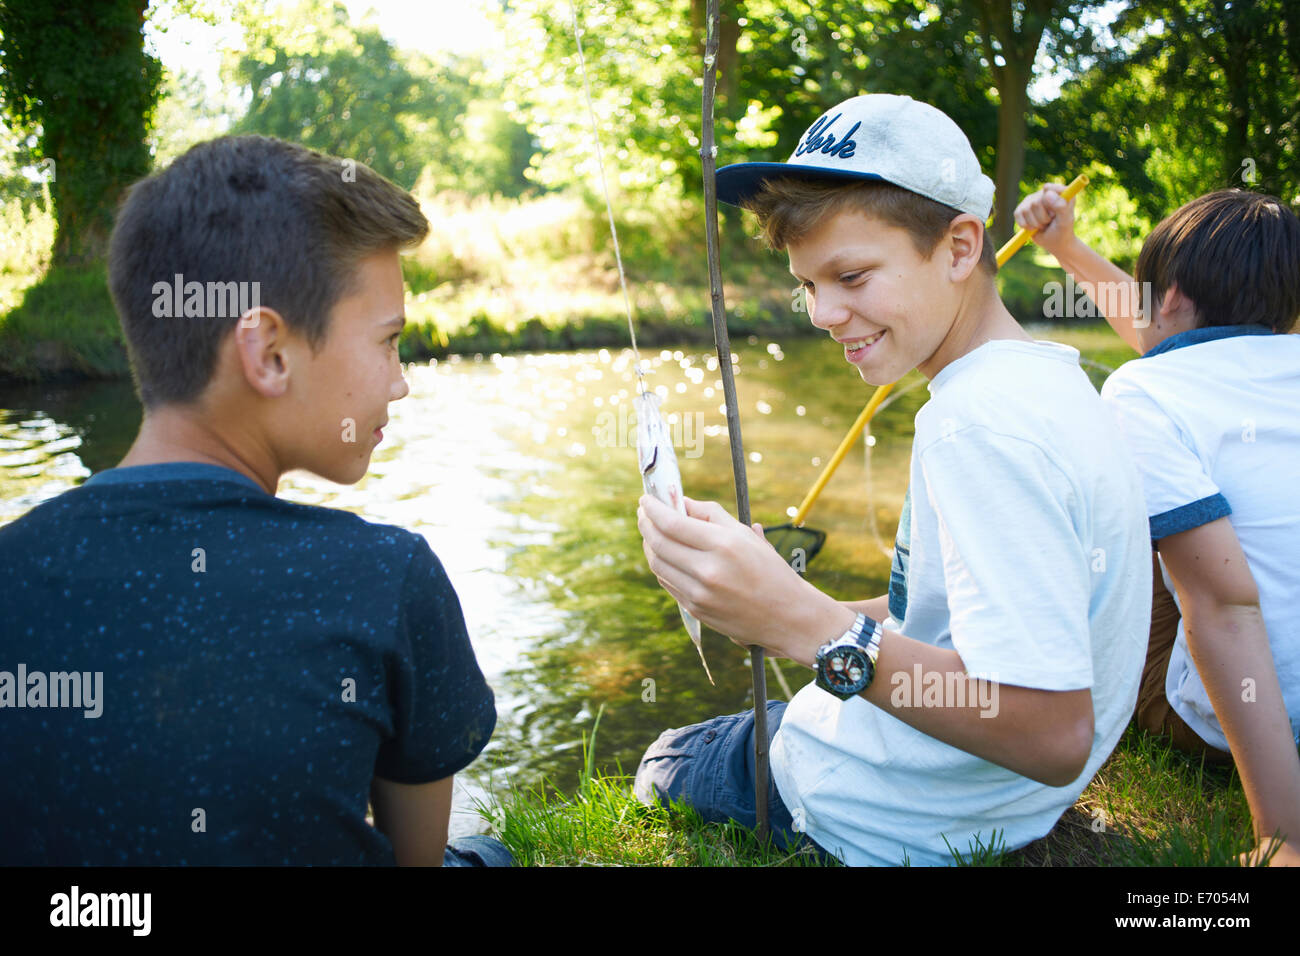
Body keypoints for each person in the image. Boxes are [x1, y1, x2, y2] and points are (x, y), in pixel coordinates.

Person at [633, 93, 1153, 867]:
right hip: (984, 803)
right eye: (808, 285)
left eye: (850, 275)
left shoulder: (977, 428)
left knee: (663, 761)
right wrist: (786, 600)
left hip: (887, 812)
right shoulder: (1049, 385)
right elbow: (946, 611)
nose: (821, 313)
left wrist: (809, 630)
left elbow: (1048, 732)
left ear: (959, 247)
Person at [0, 135, 509, 867]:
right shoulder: (388, 575)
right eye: (388, 341)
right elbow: (415, 860)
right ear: (269, 352)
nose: (400, 382)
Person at [1014, 182, 1300, 867]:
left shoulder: (1141, 392)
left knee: (1096, 527)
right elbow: (1173, 346)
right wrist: (1067, 249)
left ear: (1167, 297)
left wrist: (1282, 837)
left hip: (1228, 721)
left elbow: (1222, 603)